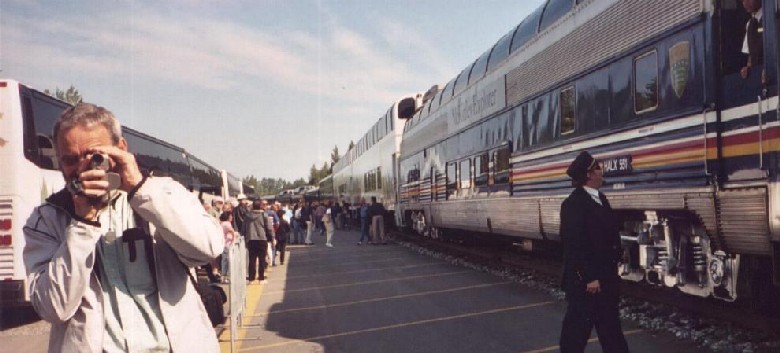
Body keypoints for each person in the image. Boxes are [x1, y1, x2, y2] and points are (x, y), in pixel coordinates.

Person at [23, 102, 224, 353]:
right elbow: (53, 308)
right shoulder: (47, 218)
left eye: (94, 156)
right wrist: (83, 223)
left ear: (121, 148)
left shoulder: (163, 192)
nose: (82, 168)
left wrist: (140, 189)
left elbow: (208, 249)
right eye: (71, 160)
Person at [558, 151, 629, 353]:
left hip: (605, 279)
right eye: (598, 167)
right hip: (586, 284)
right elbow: (574, 244)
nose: (601, 171)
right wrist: (589, 277)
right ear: (589, 175)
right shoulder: (573, 204)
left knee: (612, 334)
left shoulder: (600, 198)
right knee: (575, 337)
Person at [244, 200, 273, 284]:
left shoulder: (247, 216)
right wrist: (271, 237)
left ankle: (251, 279)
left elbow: (244, 228)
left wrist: (245, 237)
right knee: (262, 259)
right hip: (262, 239)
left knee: (252, 260)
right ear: (260, 206)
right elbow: (269, 227)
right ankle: (261, 278)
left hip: (251, 239)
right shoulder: (264, 215)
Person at [740, 0, 763, 79]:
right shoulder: (749, 24)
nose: (745, 3)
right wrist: (748, 67)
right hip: (757, 75)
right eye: (742, 0)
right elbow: (750, 53)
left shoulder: (770, 18)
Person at [220, 211, 236, 283]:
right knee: (227, 261)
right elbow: (231, 231)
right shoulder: (227, 223)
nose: (232, 217)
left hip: (223, 243)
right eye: (231, 216)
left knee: (224, 260)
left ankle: (223, 276)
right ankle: (226, 277)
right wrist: (233, 239)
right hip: (228, 244)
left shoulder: (221, 223)